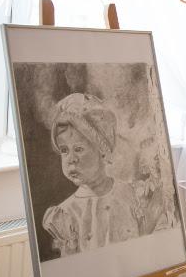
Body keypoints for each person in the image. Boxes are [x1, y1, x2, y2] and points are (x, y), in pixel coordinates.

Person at [42, 93, 161, 257]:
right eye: (64, 150)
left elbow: (146, 242)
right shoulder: (66, 214)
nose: (71, 159)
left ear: (102, 152)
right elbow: (71, 265)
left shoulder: (132, 194)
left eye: (78, 149)